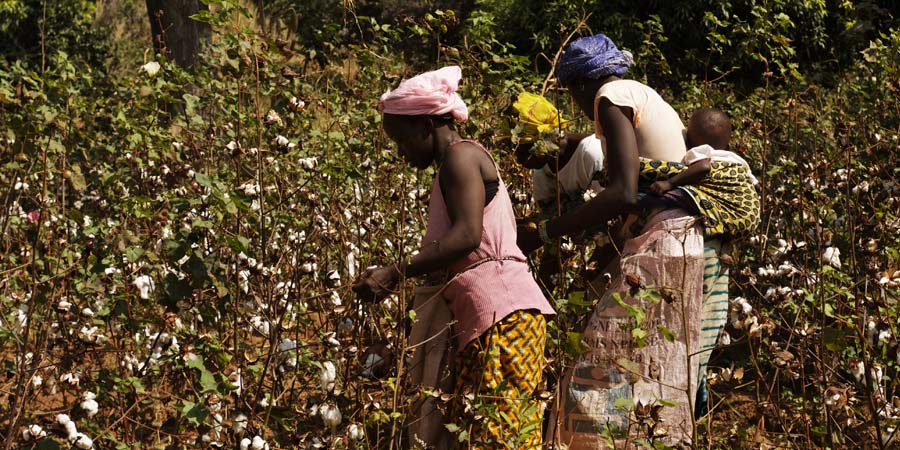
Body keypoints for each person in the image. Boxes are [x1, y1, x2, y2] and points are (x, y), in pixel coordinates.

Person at [516, 34, 720, 447]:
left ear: (578, 85)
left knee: (602, 359)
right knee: (652, 358)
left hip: (666, 238)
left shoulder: (610, 97)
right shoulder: (637, 92)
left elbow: (622, 193)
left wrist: (545, 233)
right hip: (676, 238)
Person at [352, 65, 555, 449]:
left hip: (503, 315)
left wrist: (395, 272)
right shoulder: (456, 164)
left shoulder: (461, 158)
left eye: (402, 140)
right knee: (483, 433)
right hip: (488, 317)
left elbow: (466, 237)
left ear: (426, 127)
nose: (401, 152)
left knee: (501, 436)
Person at [511, 91, 608, 289]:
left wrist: (580, 285)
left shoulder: (591, 154)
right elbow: (553, 235)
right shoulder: (543, 169)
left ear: (542, 139)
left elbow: (613, 225)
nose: (518, 160)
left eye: (522, 150)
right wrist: (544, 292)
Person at [641, 107, 761, 238]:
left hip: (732, 213)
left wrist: (669, 183)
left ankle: (638, 192)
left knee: (680, 183)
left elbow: (703, 167)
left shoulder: (702, 151)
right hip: (750, 217)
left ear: (688, 142)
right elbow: (755, 184)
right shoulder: (737, 160)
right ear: (728, 147)